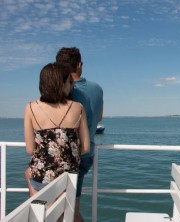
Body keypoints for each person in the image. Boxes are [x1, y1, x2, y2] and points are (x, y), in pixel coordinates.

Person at [24, 62, 90, 196]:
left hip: (42, 178)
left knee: (29, 175)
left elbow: (30, 150)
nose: (71, 86)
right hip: (68, 179)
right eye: (69, 82)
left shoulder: (30, 108)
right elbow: (86, 148)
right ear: (61, 83)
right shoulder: (78, 108)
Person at [56, 47, 103, 222]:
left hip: (65, 156)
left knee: (65, 211)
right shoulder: (97, 88)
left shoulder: (62, 91)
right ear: (79, 64)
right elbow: (98, 117)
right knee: (70, 208)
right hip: (87, 155)